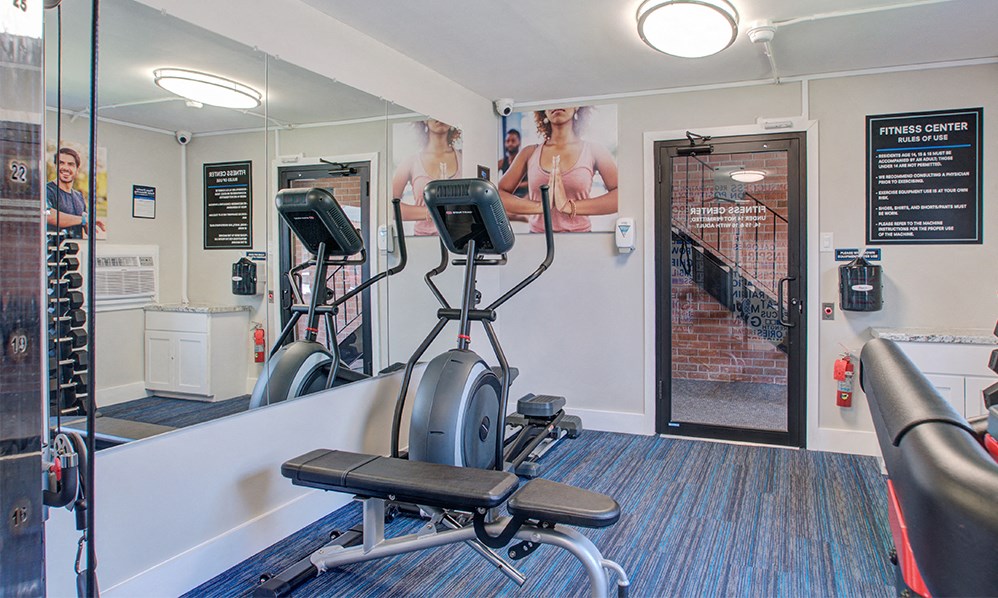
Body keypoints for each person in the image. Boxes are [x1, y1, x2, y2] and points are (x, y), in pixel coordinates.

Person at [498, 106, 618, 233]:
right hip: (538, 238)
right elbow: (499, 194)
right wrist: (540, 206)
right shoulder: (529, 153)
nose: (557, 105)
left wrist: (569, 206)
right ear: (544, 111)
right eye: (551, 102)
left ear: (576, 107)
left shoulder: (594, 150)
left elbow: (620, 196)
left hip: (580, 237)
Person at [392, 119, 462, 236]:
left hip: (458, 237)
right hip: (424, 238)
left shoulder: (464, 158)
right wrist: (431, 213)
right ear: (424, 120)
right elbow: (391, 207)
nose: (439, 119)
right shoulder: (411, 161)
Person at [46, 147, 105, 239]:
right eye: (61, 163)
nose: (65, 168)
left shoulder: (79, 196)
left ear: (77, 169)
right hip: (53, 247)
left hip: (75, 247)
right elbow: (48, 215)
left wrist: (90, 225)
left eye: (70, 164)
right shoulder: (46, 190)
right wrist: (84, 219)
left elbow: (86, 225)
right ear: (55, 166)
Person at [497, 128, 529, 198]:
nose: (510, 144)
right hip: (508, 196)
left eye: (513, 141)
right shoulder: (501, 162)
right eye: (507, 141)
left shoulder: (526, 161)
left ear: (519, 142)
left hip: (523, 196)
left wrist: (516, 185)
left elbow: (533, 183)